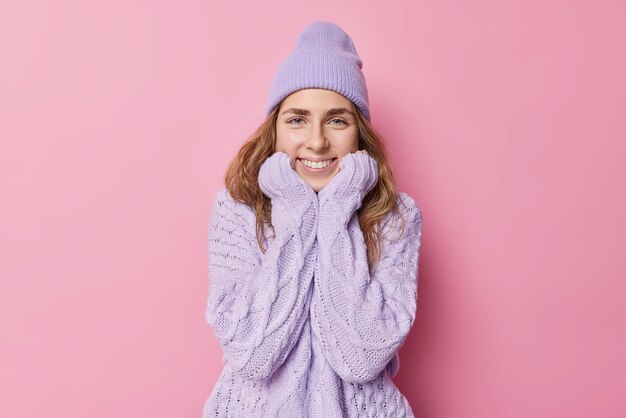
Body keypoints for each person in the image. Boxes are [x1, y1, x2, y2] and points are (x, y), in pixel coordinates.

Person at [202, 21, 423, 417]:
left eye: (337, 120)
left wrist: (337, 211)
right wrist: (300, 213)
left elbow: (361, 357)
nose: (317, 140)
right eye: (297, 119)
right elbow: (252, 354)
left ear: (359, 134)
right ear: (274, 129)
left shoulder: (395, 218)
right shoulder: (236, 210)